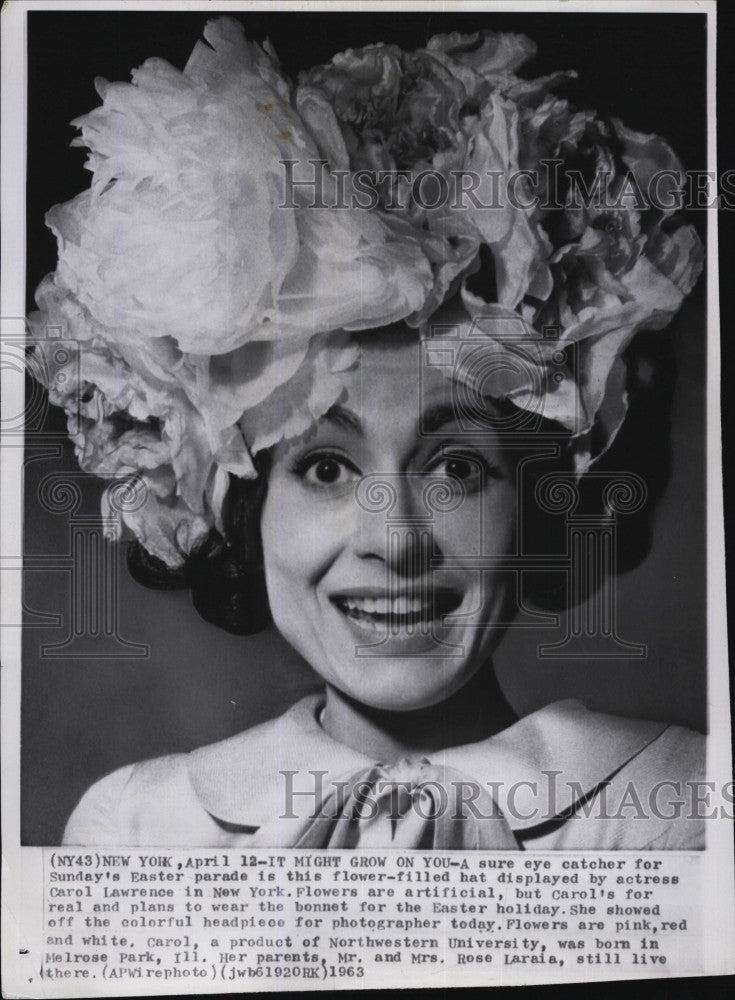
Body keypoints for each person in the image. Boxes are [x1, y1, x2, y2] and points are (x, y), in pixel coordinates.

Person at [30, 17, 705, 848]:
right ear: (237, 508)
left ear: (542, 498)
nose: (394, 540)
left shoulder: (682, 813)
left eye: (455, 465)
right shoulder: (135, 826)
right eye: (323, 468)